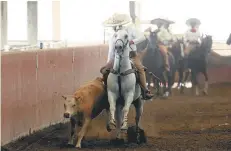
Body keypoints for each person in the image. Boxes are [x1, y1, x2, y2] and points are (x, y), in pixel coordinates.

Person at [100, 13, 153, 100]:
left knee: (140, 69)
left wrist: (132, 41)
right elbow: (111, 51)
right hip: (115, 57)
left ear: (120, 24)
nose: (114, 27)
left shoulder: (131, 30)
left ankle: (145, 91)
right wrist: (108, 63)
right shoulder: (113, 36)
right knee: (106, 72)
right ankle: (106, 90)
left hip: (131, 56)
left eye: (115, 25)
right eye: (113, 26)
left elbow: (142, 37)